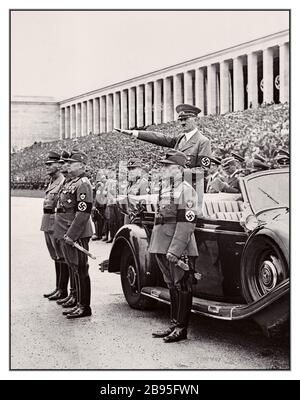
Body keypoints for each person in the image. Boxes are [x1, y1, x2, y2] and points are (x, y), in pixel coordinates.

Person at [149, 149, 199, 343]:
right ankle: (174, 323)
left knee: (182, 285)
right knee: (171, 285)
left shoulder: (187, 190)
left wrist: (175, 250)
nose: (163, 169)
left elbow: (187, 223)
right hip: (162, 242)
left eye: (167, 166)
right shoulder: (166, 188)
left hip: (178, 245)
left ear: (178, 169)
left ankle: (181, 328)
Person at [54, 151, 93, 319]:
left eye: (72, 162)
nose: (67, 164)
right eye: (67, 162)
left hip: (77, 232)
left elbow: (83, 213)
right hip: (67, 229)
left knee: (81, 268)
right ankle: (77, 300)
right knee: (74, 267)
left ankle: (84, 306)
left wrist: (72, 234)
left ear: (82, 165)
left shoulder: (83, 183)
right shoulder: (71, 181)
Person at [117, 104, 211, 168]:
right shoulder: (180, 138)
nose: (182, 123)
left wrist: (180, 172)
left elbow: (204, 169)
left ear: (195, 119)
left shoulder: (203, 141)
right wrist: (134, 133)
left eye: (186, 119)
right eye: (180, 120)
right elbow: (159, 138)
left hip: (192, 188)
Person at [40, 151, 68, 301]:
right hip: (48, 221)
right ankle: (58, 287)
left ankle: (63, 290)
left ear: (59, 164)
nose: (47, 167)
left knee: (62, 257)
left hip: (56, 222)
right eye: (47, 165)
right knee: (56, 257)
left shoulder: (62, 181)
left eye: (50, 164)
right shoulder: (52, 181)